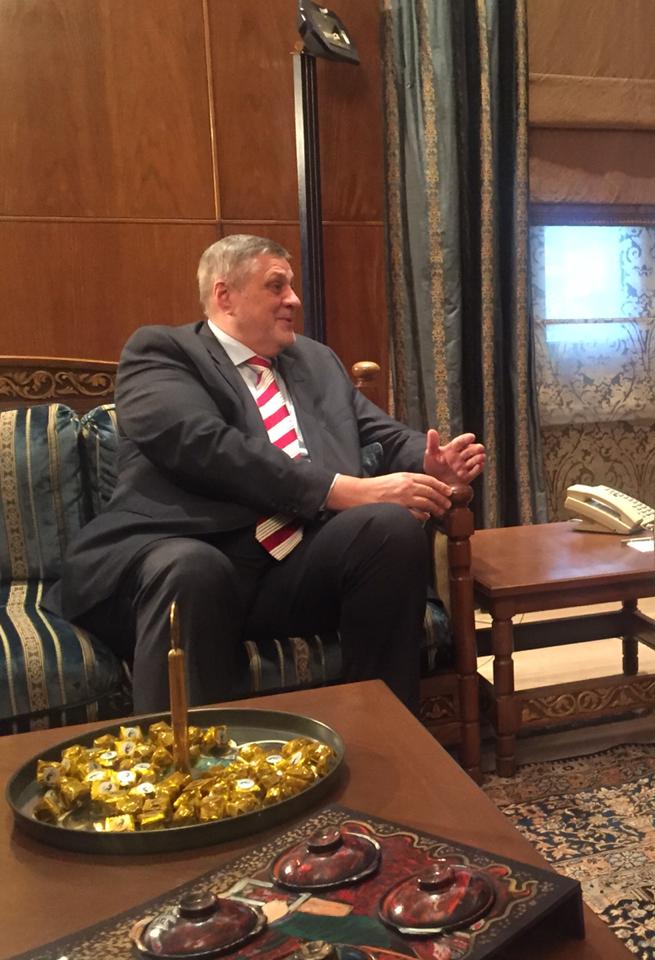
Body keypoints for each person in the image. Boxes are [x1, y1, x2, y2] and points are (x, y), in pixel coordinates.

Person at [46, 235, 485, 714]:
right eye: (276, 286)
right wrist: (340, 490)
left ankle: (386, 731)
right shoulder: (163, 353)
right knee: (193, 569)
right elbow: (203, 445)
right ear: (225, 295)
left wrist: (428, 459)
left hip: (294, 566)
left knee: (389, 528)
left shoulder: (316, 361)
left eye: (291, 286)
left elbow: (377, 430)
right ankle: (185, 758)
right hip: (194, 550)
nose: (293, 300)